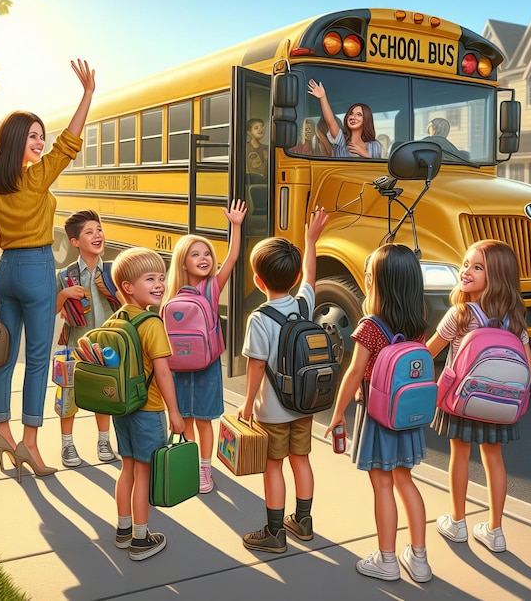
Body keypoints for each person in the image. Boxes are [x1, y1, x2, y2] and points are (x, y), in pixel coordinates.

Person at [0, 60, 95, 481]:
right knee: (35, 360)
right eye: (33, 136)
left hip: (5, 274)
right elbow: (70, 142)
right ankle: (29, 445)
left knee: (4, 359)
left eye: (41, 136)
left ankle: (3, 433)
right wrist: (87, 94)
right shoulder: (35, 180)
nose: (41, 142)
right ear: (16, 141)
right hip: (34, 269)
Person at [325, 244, 432, 583]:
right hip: (407, 415)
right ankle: (419, 559)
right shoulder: (418, 322)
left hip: (379, 415)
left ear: (375, 283)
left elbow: (355, 372)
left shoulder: (370, 326)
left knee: (382, 485)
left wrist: (337, 414)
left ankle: (386, 560)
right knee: (406, 481)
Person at [427, 239, 531, 553]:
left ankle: (457, 522)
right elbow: (527, 365)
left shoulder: (459, 314)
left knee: (459, 455)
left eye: (477, 267)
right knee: (494, 460)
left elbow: (431, 349)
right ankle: (495, 530)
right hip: (500, 402)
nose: (466, 271)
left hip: (462, 399)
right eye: (465, 264)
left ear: (496, 276)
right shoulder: (515, 319)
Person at [238, 208, 329, 554]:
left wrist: (247, 405)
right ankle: (303, 521)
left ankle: (275, 533)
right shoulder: (305, 305)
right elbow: (311, 273)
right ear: (291, 281)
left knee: (273, 465)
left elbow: (256, 367)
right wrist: (311, 239)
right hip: (304, 405)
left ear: (259, 282)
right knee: (301, 460)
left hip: (273, 411)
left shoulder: (259, 319)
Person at [162, 199, 247, 493]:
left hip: (206, 365)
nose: (204, 258)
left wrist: (235, 225)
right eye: (195, 254)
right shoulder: (170, 294)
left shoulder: (212, 286)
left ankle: (204, 469)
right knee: (185, 420)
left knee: (204, 421)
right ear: (182, 261)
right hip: (180, 367)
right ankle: (189, 465)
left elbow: (233, 258)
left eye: (207, 253)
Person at [110, 247, 185, 561]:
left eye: (162, 277)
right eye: (150, 278)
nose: (160, 284)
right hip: (148, 409)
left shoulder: (116, 319)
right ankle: (141, 539)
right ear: (128, 287)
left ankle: (123, 529)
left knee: (126, 467)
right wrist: (175, 413)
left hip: (122, 409)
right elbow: (164, 373)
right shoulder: (151, 323)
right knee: (143, 473)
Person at [54, 210, 121, 468]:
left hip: (106, 348)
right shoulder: (65, 275)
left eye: (99, 230)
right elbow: (52, 309)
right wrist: (65, 294)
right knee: (67, 397)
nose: (97, 235)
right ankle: (67, 444)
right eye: (89, 232)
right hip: (74, 347)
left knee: (104, 394)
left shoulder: (114, 272)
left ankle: (104, 441)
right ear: (74, 242)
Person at [308, 79, 382, 159]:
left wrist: (365, 154)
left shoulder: (375, 146)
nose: (353, 117)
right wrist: (323, 97)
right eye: (351, 113)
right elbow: (330, 121)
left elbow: (377, 167)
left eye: (359, 114)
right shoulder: (341, 140)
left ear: (366, 119)